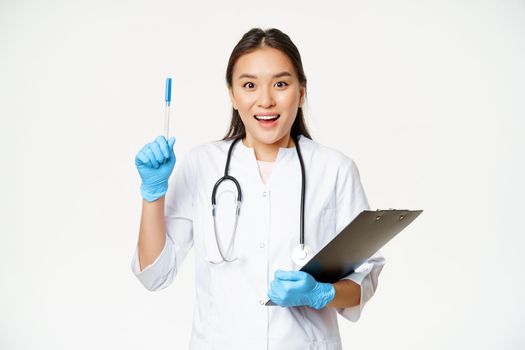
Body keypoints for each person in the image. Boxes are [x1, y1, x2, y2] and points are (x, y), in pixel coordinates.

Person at [131, 27, 385, 350]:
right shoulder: (202, 165)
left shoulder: (335, 170)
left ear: (302, 91)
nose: (265, 100)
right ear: (233, 95)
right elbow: (155, 274)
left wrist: (322, 293)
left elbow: (366, 275)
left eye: (281, 84)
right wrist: (153, 193)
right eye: (249, 85)